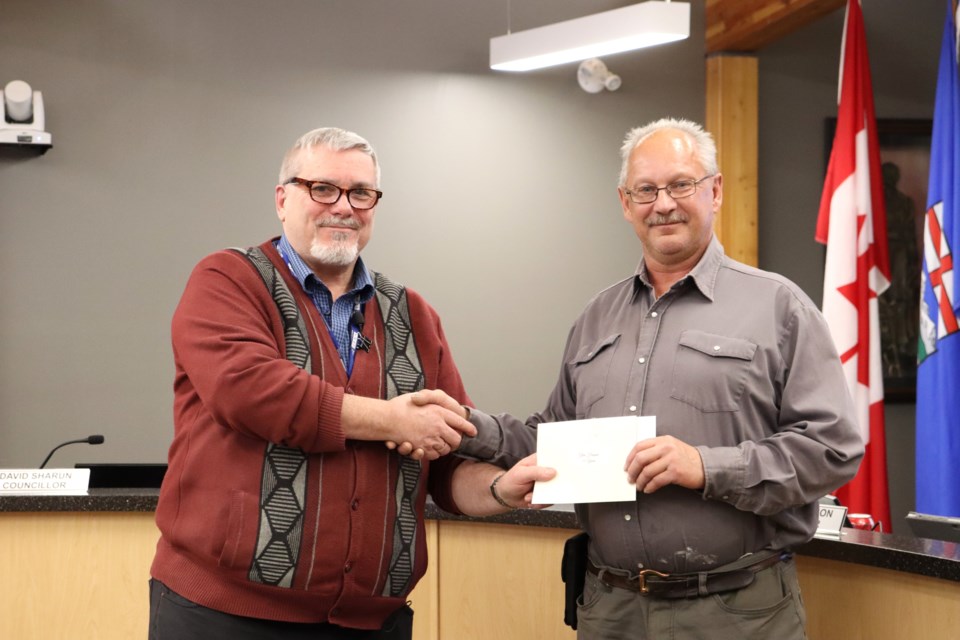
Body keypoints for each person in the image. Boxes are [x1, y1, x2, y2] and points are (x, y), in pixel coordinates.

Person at [447, 117, 864, 640]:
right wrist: (465, 424)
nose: (663, 203)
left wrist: (707, 467)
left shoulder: (779, 307)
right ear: (625, 203)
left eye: (680, 184)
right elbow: (553, 440)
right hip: (610, 610)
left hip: (737, 614)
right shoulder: (596, 318)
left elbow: (833, 448)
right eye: (646, 189)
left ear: (714, 192)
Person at [148, 127, 550, 640]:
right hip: (223, 615)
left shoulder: (415, 314)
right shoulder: (227, 281)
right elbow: (251, 391)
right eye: (323, 189)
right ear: (282, 199)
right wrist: (391, 418)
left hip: (370, 621)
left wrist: (499, 489)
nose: (343, 206)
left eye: (361, 193)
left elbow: (443, 455)